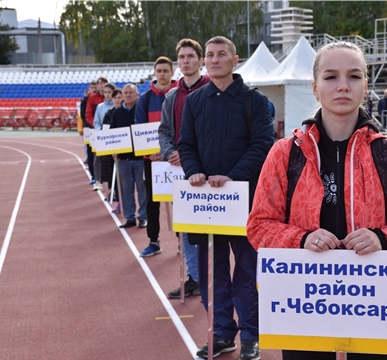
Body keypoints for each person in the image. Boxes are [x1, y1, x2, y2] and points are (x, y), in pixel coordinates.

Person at [246, 41, 387, 360]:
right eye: (331, 77)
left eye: (354, 76)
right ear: (315, 89)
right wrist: (301, 238)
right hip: (305, 302)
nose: (343, 85)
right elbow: (259, 228)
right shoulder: (285, 153)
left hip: (373, 304)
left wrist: (382, 239)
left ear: (366, 86)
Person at [178, 36, 274, 360]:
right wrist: (192, 171)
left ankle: (250, 335)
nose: (214, 59)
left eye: (222, 54)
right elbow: (186, 144)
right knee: (211, 272)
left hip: (244, 202)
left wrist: (233, 176)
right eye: (210, 55)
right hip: (205, 204)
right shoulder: (195, 102)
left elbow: (263, 145)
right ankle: (221, 333)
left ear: (235, 60)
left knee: (247, 272)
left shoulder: (254, 101)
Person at [159, 38, 211, 298]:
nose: (186, 61)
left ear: (200, 60)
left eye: (191, 56)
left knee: (215, 226)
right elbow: (164, 131)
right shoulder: (171, 96)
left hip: (211, 171)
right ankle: (195, 277)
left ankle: (217, 278)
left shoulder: (213, 88)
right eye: (182, 57)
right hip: (182, 172)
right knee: (188, 227)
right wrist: (171, 152)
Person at [135, 56, 178, 256]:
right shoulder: (144, 99)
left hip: (175, 159)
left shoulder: (181, 95)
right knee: (152, 201)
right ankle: (154, 241)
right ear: (154, 73)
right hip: (151, 161)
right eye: (159, 71)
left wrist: (169, 152)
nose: (162, 74)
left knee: (180, 200)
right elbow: (140, 129)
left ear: (172, 73)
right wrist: (151, 153)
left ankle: (183, 242)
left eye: (165, 71)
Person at [109, 84, 148, 229]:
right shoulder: (117, 113)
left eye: (131, 92)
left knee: (142, 189)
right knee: (126, 190)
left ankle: (143, 217)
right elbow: (112, 133)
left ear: (137, 94)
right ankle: (130, 217)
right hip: (123, 158)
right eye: (126, 93)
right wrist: (112, 149)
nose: (128, 95)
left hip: (141, 157)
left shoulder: (142, 109)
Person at [102, 88, 123, 213]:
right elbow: (105, 132)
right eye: (115, 98)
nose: (117, 100)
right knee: (115, 179)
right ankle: (119, 202)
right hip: (112, 151)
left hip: (126, 152)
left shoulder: (126, 112)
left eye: (119, 97)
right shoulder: (109, 114)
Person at [86, 76, 109, 190]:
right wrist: (96, 127)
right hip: (97, 131)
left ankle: (108, 183)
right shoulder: (93, 98)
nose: (102, 85)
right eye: (100, 83)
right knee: (97, 158)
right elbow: (88, 114)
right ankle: (97, 180)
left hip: (110, 132)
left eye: (104, 83)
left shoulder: (112, 97)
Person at [93, 82, 116, 191]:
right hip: (103, 137)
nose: (107, 95)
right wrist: (100, 131)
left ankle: (114, 187)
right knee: (100, 161)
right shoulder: (99, 107)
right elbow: (96, 122)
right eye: (105, 92)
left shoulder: (117, 105)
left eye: (109, 92)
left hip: (114, 138)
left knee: (113, 162)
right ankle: (100, 182)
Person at [80, 81, 97, 179]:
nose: (94, 89)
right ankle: (93, 175)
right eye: (92, 87)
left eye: (95, 87)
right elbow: (84, 116)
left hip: (97, 128)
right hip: (89, 129)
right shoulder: (84, 101)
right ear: (89, 89)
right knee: (90, 153)